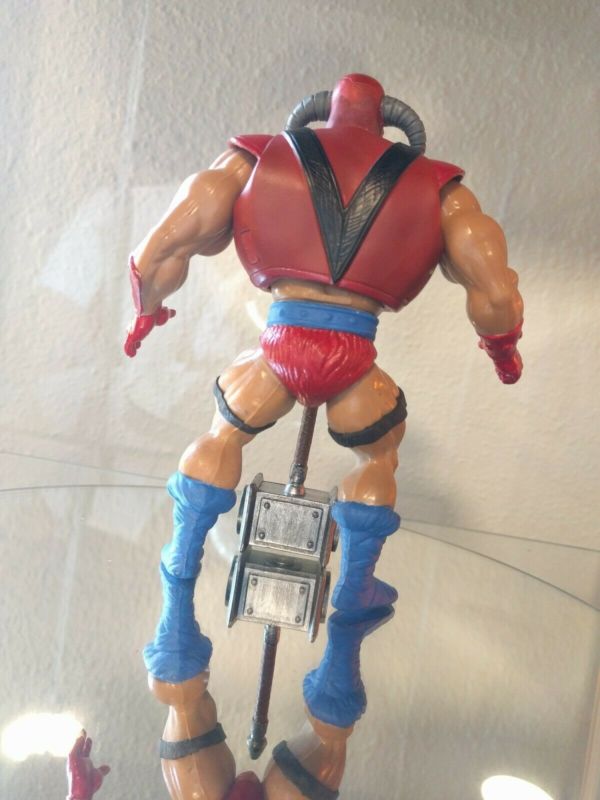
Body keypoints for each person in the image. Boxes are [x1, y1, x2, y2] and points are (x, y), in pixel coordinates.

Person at [123, 74, 524, 799]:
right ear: (390, 124)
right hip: (354, 362)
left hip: (275, 352)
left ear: (321, 114)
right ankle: (352, 608)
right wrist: (503, 351)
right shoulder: (440, 188)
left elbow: (164, 245)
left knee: (221, 437)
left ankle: (179, 595)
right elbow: (494, 292)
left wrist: (146, 310)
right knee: (378, 455)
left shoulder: (255, 157)